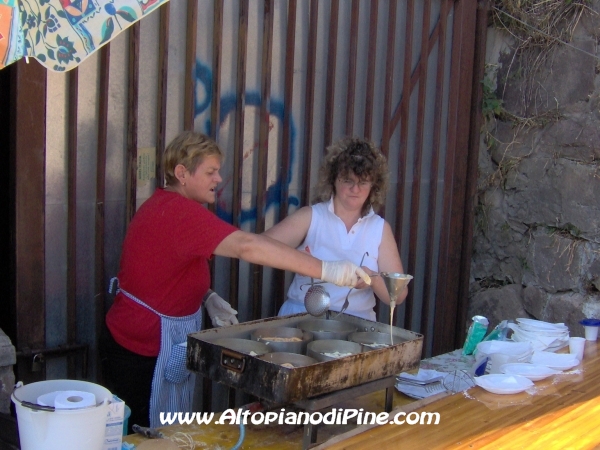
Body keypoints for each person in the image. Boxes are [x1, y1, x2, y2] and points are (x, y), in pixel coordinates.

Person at [100, 131, 368, 431]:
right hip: (141, 347)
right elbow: (247, 246)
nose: (218, 179)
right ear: (182, 173)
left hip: (149, 339)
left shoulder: (169, 206)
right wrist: (328, 270)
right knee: (146, 434)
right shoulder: (178, 212)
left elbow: (164, 269)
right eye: (211, 172)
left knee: (165, 431)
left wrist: (206, 295)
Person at [264, 137, 407, 321]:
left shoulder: (380, 228)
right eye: (348, 180)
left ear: (374, 186)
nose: (355, 189)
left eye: (363, 182)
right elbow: (260, 247)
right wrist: (297, 260)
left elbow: (398, 295)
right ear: (333, 179)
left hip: (356, 326)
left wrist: (372, 277)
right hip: (302, 318)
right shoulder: (311, 216)